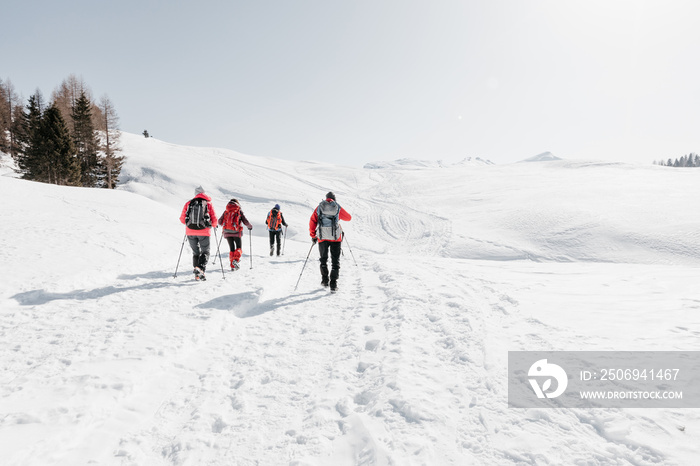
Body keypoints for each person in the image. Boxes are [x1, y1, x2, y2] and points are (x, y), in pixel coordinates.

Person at [309, 192, 351, 291]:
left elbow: (312, 221)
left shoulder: (320, 207)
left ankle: (324, 280)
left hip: (322, 237)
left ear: (326, 198)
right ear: (334, 199)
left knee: (323, 259)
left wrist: (313, 235)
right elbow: (349, 218)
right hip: (335, 238)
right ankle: (333, 284)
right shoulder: (337, 207)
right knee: (335, 261)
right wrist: (337, 216)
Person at [180, 186, 217, 280]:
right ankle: (200, 269)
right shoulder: (208, 204)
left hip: (190, 232)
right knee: (205, 251)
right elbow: (214, 219)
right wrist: (213, 225)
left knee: (196, 252)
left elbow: (182, 219)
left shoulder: (189, 203)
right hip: (204, 232)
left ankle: (197, 274)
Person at [218, 198, 252, 270]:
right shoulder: (238, 210)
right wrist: (249, 226)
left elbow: (219, 222)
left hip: (227, 232)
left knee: (232, 249)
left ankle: (232, 266)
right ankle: (235, 261)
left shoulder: (226, 211)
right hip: (236, 232)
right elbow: (245, 220)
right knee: (239, 248)